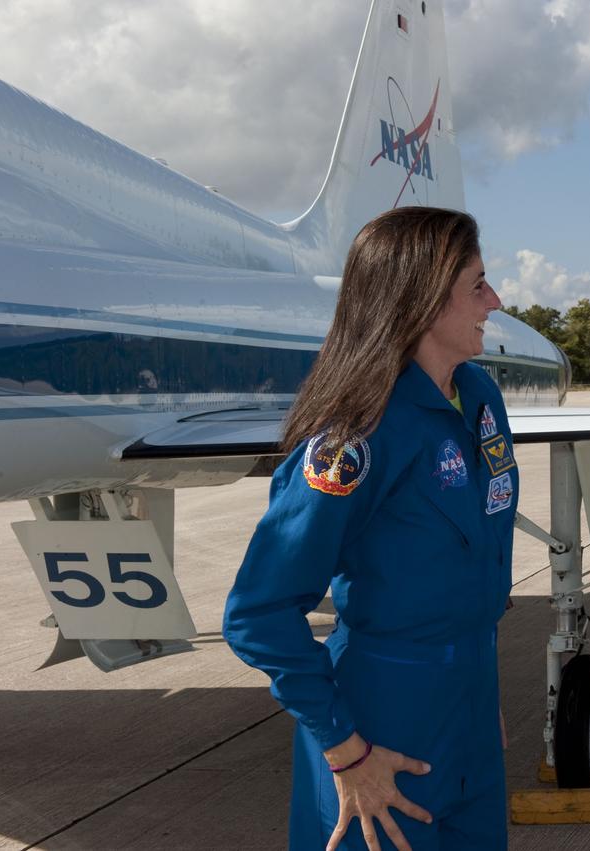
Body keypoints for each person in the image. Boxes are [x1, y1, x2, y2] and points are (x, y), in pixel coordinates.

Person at [223, 206, 517, 851]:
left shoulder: (479, 398)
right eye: (477, 285)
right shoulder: (357, 433)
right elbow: (259, 612)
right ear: (419, 299)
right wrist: (346, 751)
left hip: (470, 702)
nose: (494, 301)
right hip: (381, 722)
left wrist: (476, 688)